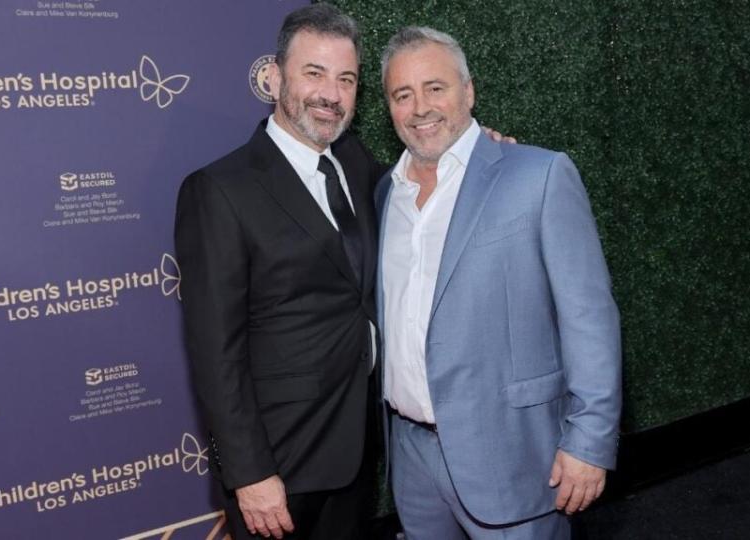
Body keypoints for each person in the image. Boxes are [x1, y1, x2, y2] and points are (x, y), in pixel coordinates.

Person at [375, 26, 623, 539]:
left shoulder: (539, 175)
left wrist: (590, 441)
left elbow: (589, 318)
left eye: (435, 88)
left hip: (513, 455)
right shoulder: (385, 195)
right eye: (403, 94)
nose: (420, 107)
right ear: (389, 107)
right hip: (413, 460)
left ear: (469, 91)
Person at [174, 5, 384, 539]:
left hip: (356, 448)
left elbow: (421, 186)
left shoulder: (355, 161)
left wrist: (477, 152)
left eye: (346, 79)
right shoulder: (220, 189)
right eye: (313, 73)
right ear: (274, 76)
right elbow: (215, 350)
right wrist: (248, 473)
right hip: (280, 466)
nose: (330, 94)